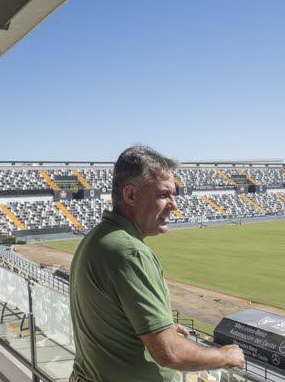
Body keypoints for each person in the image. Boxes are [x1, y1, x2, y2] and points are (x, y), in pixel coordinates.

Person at [69, 146, 245, 382]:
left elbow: (114, 320)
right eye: (164, 195)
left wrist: (163, 329)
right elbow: (169, 353)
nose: (174, 205)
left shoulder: (97, 237)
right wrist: (225, 355)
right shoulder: (131, 253)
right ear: (131, 195)